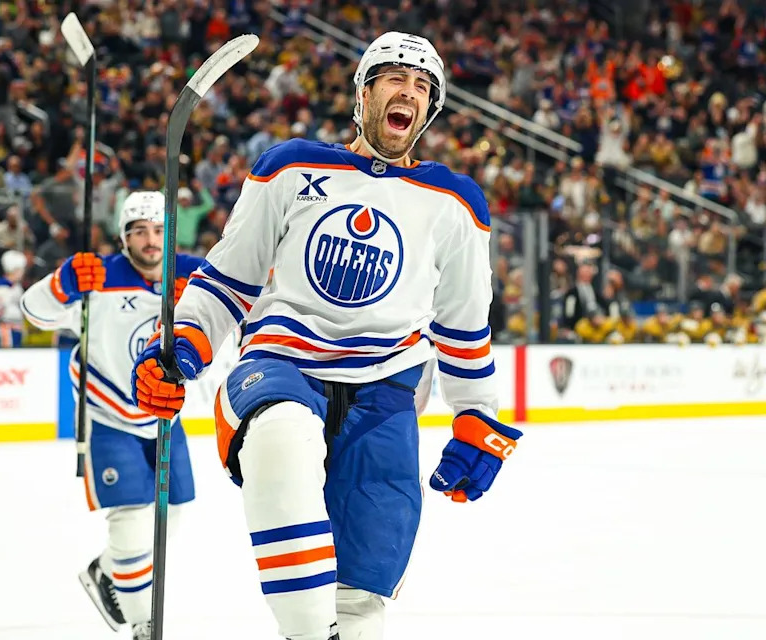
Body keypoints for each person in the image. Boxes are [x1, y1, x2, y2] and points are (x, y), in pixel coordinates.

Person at [132, 32, 522, 640]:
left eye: (423, 87)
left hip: (385, 390)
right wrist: (181, 347)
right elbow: (227, 280)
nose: (409, 93)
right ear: (363, 92)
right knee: (283, 437)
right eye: (395, 78)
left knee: (363, 590)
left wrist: (477, 416)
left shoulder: (455, 201)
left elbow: (464, 326)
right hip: (280, 364)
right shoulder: (290, 165)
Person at [21, 192, 202, 639]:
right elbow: (33, 312)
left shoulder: (193, 274)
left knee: (172, 513)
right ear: (124, 237)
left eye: (159, 230)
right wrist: (61, 283)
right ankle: (144, 624)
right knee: (131, 520)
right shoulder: (97, 276)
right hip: (109, 418)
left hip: (165, 417)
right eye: (138, 231)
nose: (150, 240)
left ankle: (107, 571)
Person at [0, 250, 27, 347]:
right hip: (6, 330)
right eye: (21, 269)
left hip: (17, 328)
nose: (23, 272)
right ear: (14, 269)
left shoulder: (17, 287)